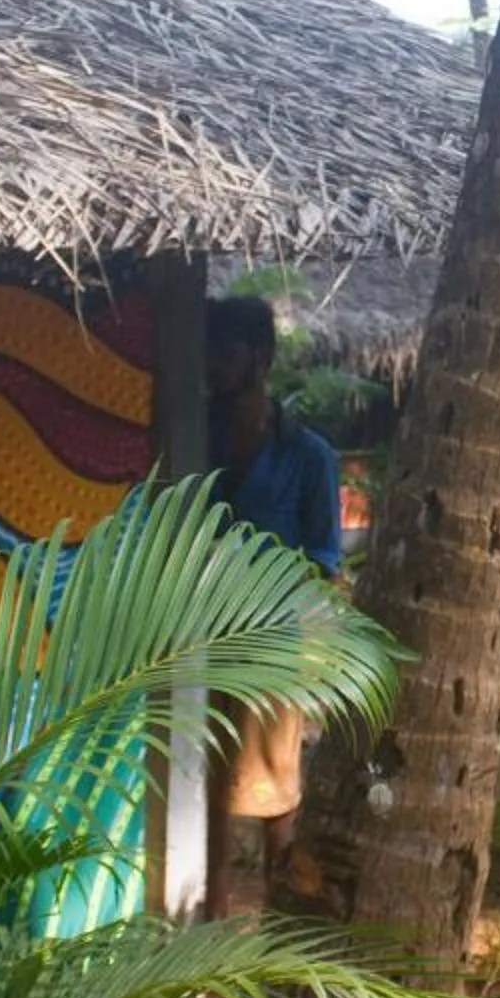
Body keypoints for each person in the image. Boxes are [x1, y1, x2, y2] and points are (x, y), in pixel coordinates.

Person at [202, 294, 341, 911]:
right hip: (196, 635)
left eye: (226, 352)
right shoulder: (192, 439)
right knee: (203, 790)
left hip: (273, 644)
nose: (214, 365)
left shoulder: (307, 456)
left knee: (275, 793)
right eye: (210, 352)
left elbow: (324, 560)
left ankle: (278, 923)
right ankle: (210, 920)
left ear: (259, 358)